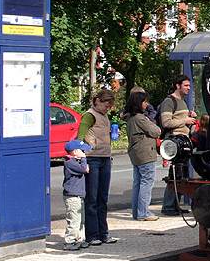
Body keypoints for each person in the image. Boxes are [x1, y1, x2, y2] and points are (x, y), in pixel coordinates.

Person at [77, 89, 117, 246]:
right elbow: (80, 136)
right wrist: (81, 153)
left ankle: (103, 233)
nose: (108, 108)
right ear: (97, 101)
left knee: (102, 198)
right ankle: (93, 235)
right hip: (92, 158)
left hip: (105, 158)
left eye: (109, 106)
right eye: (106, 105)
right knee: (92, 198)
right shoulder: (89, 115)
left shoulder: (104, 116)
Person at [159, 75, 197, 216]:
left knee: (181, 174)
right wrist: (185, 120)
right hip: (175, 142)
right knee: (175, 174)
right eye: (186, 85)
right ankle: (168, 206)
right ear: (177, 85)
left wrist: (188, 117)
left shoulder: (183, 102)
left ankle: (174, 205)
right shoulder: (169, 102)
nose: (188, 88)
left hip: (183, 141)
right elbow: (166, 122)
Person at [125, 90, 161, 221]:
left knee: (138, 183)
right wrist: (150, 122)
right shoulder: (140, 118)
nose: (147, 104)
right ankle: (143, 212)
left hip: (135, 153)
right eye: (145, 102)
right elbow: (156, 131)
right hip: (145, 153)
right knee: (147, 182)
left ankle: (137, 212)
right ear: (139, 103)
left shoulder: (130, 117)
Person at [62, 141, 90, 251]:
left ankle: (79, 239)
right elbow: (84, 169)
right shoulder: (70, 162)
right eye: (82, 151)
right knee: (74, 219)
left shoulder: (75, 162)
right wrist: (83, 159)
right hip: (72, 196)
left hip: (79, 195)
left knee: (80, 219)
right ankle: (70, 241)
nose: (84, 153)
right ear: (75, 152)